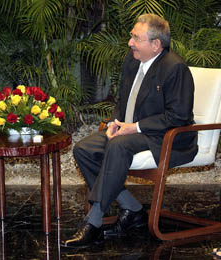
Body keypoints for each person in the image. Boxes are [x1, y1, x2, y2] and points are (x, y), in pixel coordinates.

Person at [62, 13, 198, 247]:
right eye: (131, 36)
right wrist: (115, 122)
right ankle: (133, 209)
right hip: (132, 131)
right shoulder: (133, 59)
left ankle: (93, 222)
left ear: (156, 45)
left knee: (118, 145)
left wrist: (133, 127)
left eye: (136, 38)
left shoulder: (175, 69)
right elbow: (124, 99)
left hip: (167, 138)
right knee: (84, 149)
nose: (130, 42)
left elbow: (178, 116)